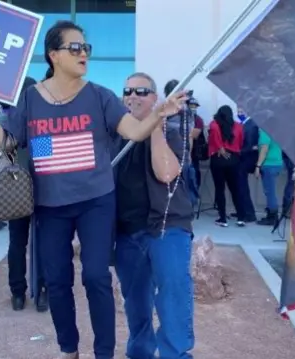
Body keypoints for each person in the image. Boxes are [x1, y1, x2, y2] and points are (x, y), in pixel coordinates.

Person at [0, 20, 186, 359]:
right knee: (57, 280)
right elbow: (6, 141)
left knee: (96, 277)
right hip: (50, 204)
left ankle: (103, 352)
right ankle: (69, 349)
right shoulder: (31, 99)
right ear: (53, 55)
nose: (83, 54)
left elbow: (134, 132)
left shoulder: (100, 96)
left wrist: (159, 115)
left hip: (96, 201)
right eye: (75, 48)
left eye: (85, 48)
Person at [114, 72, 194, 359]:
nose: (133, 96)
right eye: (128, 91)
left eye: (142, 91)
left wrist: (157, 123)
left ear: (155, 97)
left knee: (173, 297)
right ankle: (140, 353)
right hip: (127, 233)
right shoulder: (115, 135)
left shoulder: (170, 131)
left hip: (166, 228)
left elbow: (166, 173)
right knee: (136, 304)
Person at [5, 77, 48, 312]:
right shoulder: (41, 119)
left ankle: (17, 293)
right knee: (43, 241)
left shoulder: (10, 119)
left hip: (15, 186)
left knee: (16, 241)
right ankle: (42, 291)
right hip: (42, 186)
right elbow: (42, 156)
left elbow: (6, 149)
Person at [208, 105, 245, 227]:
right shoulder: (238, 126)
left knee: (220, 189)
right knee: (235, 189)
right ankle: (240, 217)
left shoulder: (214, 124)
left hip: (218, 159)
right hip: (233, 159)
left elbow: (213, 138)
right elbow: (240, 142)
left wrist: (221, 149)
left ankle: (223, 218)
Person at [232, 108, 258, 222]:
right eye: (238, 110)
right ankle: (242, 211)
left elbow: (249, 145)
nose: (239, 113)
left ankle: (249, 213)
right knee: (239, 187)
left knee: (242, 187)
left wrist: (235, 151)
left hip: (246, 160)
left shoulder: (251, 125)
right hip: (241, 159)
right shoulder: (242, 124)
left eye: (242, 110)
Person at [255, 129, 284, 225]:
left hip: (269, 164)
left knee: (269, 191)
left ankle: (272, 217)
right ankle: (271, 215)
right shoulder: (275, 130)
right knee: (270, 191)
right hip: (277, 163)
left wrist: (258, 165)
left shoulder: (265, 131)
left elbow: (264, 148)